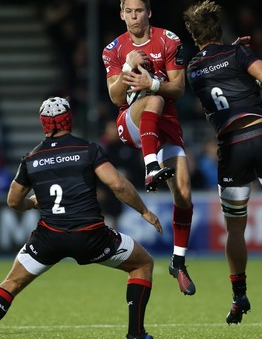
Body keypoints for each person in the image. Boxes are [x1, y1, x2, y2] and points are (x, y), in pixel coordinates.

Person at [183, 0, 262, 324]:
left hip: (231, 146)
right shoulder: (238, 53)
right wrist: (244, 60)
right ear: (219, 29)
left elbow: (212, 85)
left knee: (235, 227)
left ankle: (239, 297)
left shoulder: (193, 69)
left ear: (194, 35)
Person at [0, 96, 163, 339]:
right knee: (142, 264)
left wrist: (32, 202)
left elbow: (13, 201)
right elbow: (118, 184)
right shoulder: (88, 149)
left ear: (43, 123)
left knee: (10, 284)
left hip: (49, 238)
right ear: (69, 120)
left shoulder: (31, 159)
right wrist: (144, 211)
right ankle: (136, 334)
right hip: (91, 236)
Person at [102, 0, 196, 296]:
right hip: (130, 122)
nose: (133, 17)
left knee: (183, 194)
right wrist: (128, 67)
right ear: (121, 14)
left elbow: (179, 89)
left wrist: (151, 82)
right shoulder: (114, 49)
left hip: (165, 126)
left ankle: (178, 262)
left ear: (149, 13)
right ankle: (150, 166)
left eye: (138, 11)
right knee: (153, 100)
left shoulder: (168, 41)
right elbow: (116, 97)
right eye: (128, 11)